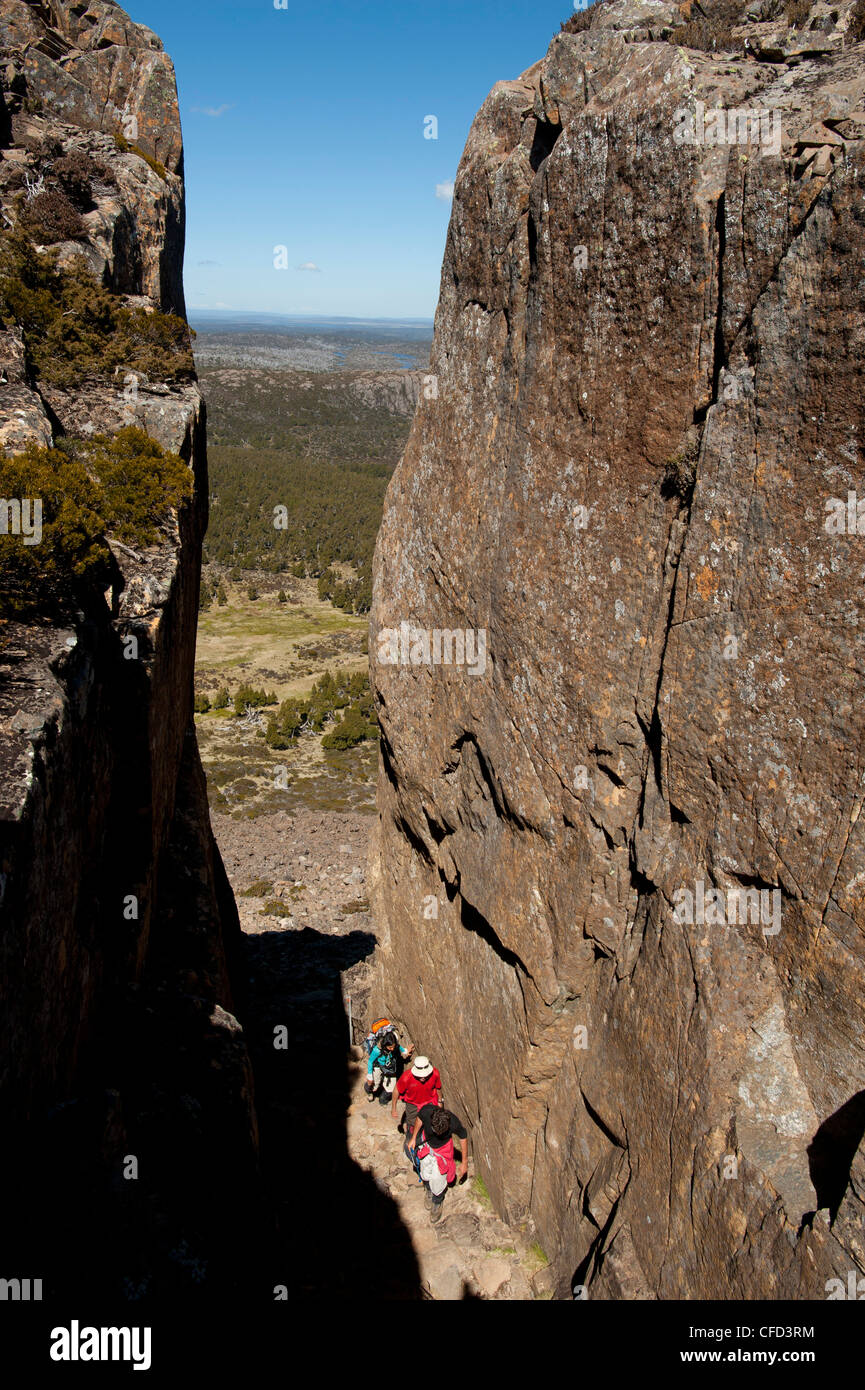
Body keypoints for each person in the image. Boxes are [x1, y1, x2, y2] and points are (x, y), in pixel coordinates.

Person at [409, 1103, 470, 1223]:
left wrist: (464, 1162)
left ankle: (437, 1200)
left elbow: (463, 1136)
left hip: (443, 1150)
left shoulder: (453, 1122)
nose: (437, 1133)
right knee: (425, 1171)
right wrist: (414, 1137)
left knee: (438, 1178)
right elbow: (419, 1119)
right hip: (427, 1144)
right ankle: (428, 1190)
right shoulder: (427, 1111)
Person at [392, 1055, 442, 1136]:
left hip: (429, 1102)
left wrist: (440, 1101)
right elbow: (396, 1090)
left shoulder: (435, 1073)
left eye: (425, 1075)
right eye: (420, 1075)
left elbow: (438, 1087)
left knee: (429, 1121)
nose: (423, 1077)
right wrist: (393, 1108)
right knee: (412, 1123)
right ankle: (412, 1135)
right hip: (413, 1104)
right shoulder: (406, 1077)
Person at [365, 1029, 412, 1104]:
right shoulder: (377, 1050)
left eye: (393, 1047)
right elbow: (370, 1061)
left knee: (390, 1089)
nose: (392, 1049)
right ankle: (370, 1092)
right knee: (374, 1084)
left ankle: (383, 1100)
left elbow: (399, 1047)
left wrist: (405, 1051)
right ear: (385, 1045)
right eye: (390, 1047)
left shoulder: (395, 1045)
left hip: (389, 1068)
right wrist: (370, 1075)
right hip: (379, 1066)